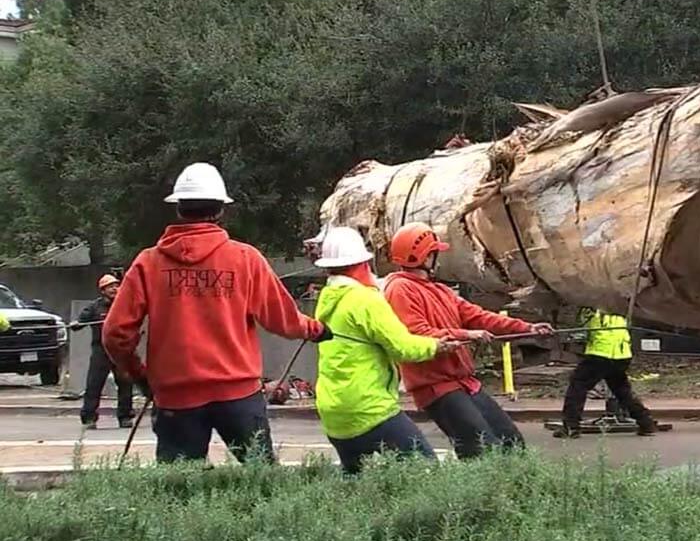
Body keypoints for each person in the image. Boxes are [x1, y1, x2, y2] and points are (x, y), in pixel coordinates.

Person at [102, 162, 332, 464]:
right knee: (260, 483)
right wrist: (316, 330)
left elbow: (115, 333)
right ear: (221, 209)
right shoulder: (244, 258)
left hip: (176, 396)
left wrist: (139, 374)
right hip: (238, 395)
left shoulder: (149, 263)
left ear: (179, 208)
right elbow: (282, 319)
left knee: (179, 491)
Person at [384, 221, 554, 459]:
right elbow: (417, 334)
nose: (438, 258)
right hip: (437, 387)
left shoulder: (439, 290)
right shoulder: (400, 289)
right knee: (483, 451)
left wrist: (528, 328)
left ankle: (515, 492)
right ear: (424, 256)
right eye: (434, 253)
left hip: (463, 382)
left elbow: (478, 316)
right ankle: (484, 495)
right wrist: (467, 334)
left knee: (511, 443)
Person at [312, 226, 463, 473]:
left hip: (334, 411)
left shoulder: (328, 298)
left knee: (356, 482)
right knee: (426, 470)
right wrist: (437, 345)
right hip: (370, 408)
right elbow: (402, 347)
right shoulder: (365, 301)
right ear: (363, 263)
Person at [554, 308, 657, 438]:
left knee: (578, 386)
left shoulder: (592, 311)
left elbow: (583, 332)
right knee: (622, 390)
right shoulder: (622, 311)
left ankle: (570, 426)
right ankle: (646, 422)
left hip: (599, 354)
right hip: (622, 355)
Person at [72, 274, 133, 429]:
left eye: (116, 285)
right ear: (103, 290)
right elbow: (81, 322)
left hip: (121, 349)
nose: (114, 289)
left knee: (126, 384)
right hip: (101, 350)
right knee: (94, 384)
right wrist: (76, 324)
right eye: (110, 286)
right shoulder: (94, 307)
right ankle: (89, 418)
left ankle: (125, 417)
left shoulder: (125, 305)